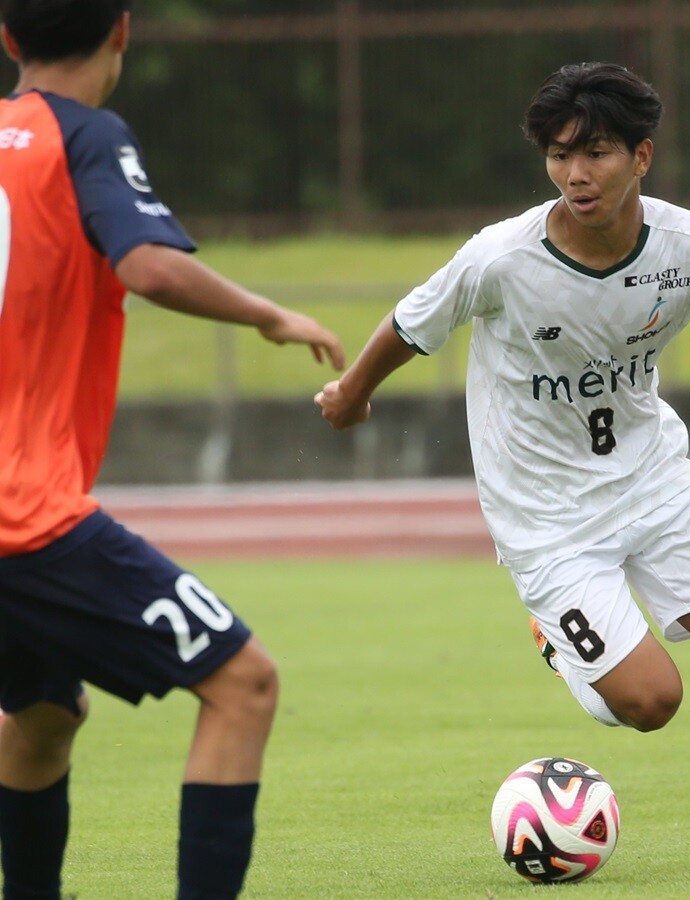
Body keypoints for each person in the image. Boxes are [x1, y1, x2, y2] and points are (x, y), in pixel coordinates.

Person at [316, 61, 690, 871]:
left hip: (653, 481)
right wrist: (349, 393)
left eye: (596, 153)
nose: (576, 174)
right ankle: (556, 636)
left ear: (642, 157)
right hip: (546, 518)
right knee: (651, 704)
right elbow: (411, 325)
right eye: (559, 155)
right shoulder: (500, 259)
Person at [0, 2, 345, 897]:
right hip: (24, 517)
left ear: (7, 41)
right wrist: (270, 314)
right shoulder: (87, 135)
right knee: (245, 685)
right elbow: (146, 264)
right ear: (122, 31)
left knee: (42, 714)